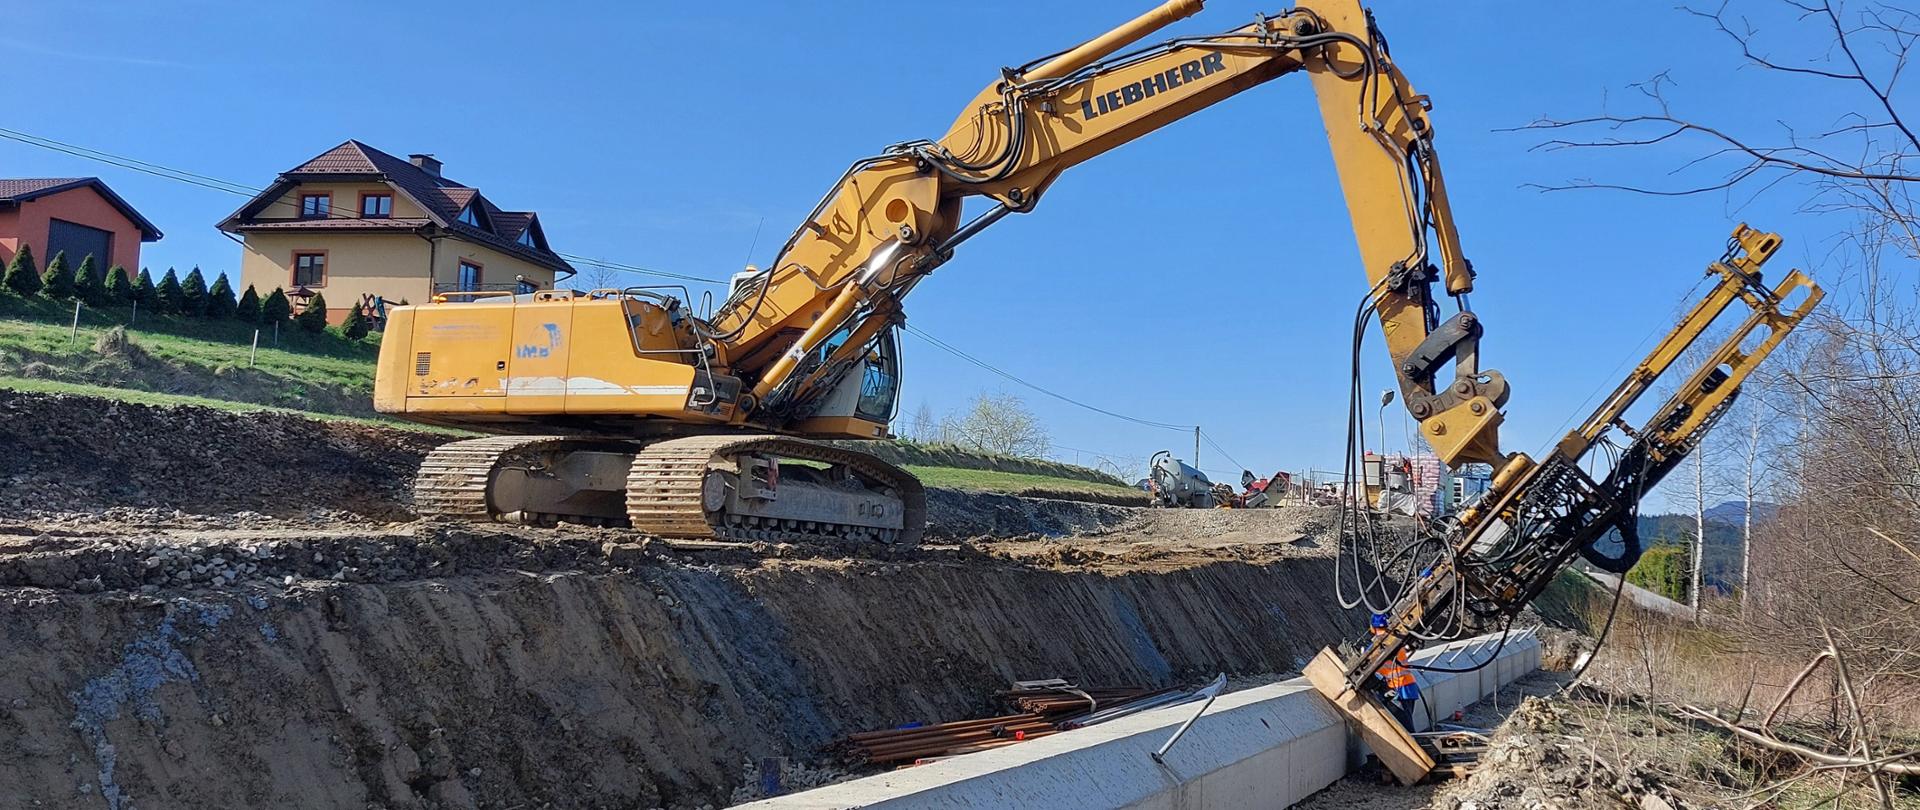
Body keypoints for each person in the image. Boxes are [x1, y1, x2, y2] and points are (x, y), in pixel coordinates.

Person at [1370, 613, 1422, 728]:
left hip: (1399, 690)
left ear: (1372, 627)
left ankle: (1415, 745)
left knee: (1406, 727)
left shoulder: (1376, 647)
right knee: (1406, 724)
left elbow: (1366, 662)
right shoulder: (1395, 640)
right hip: (1409, 687)